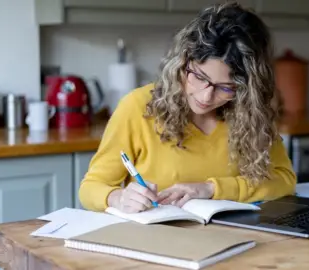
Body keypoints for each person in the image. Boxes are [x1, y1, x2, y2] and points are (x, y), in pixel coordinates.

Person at [78, 1, 297, 213]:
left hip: (230, 239)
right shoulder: (139, 107)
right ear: (182, 62)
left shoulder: (250, 113)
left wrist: (212, 189)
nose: (206, 95)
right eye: (199, 77)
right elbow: (90, 188)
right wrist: (117, 198)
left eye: (225, 87)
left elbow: (284, 180)